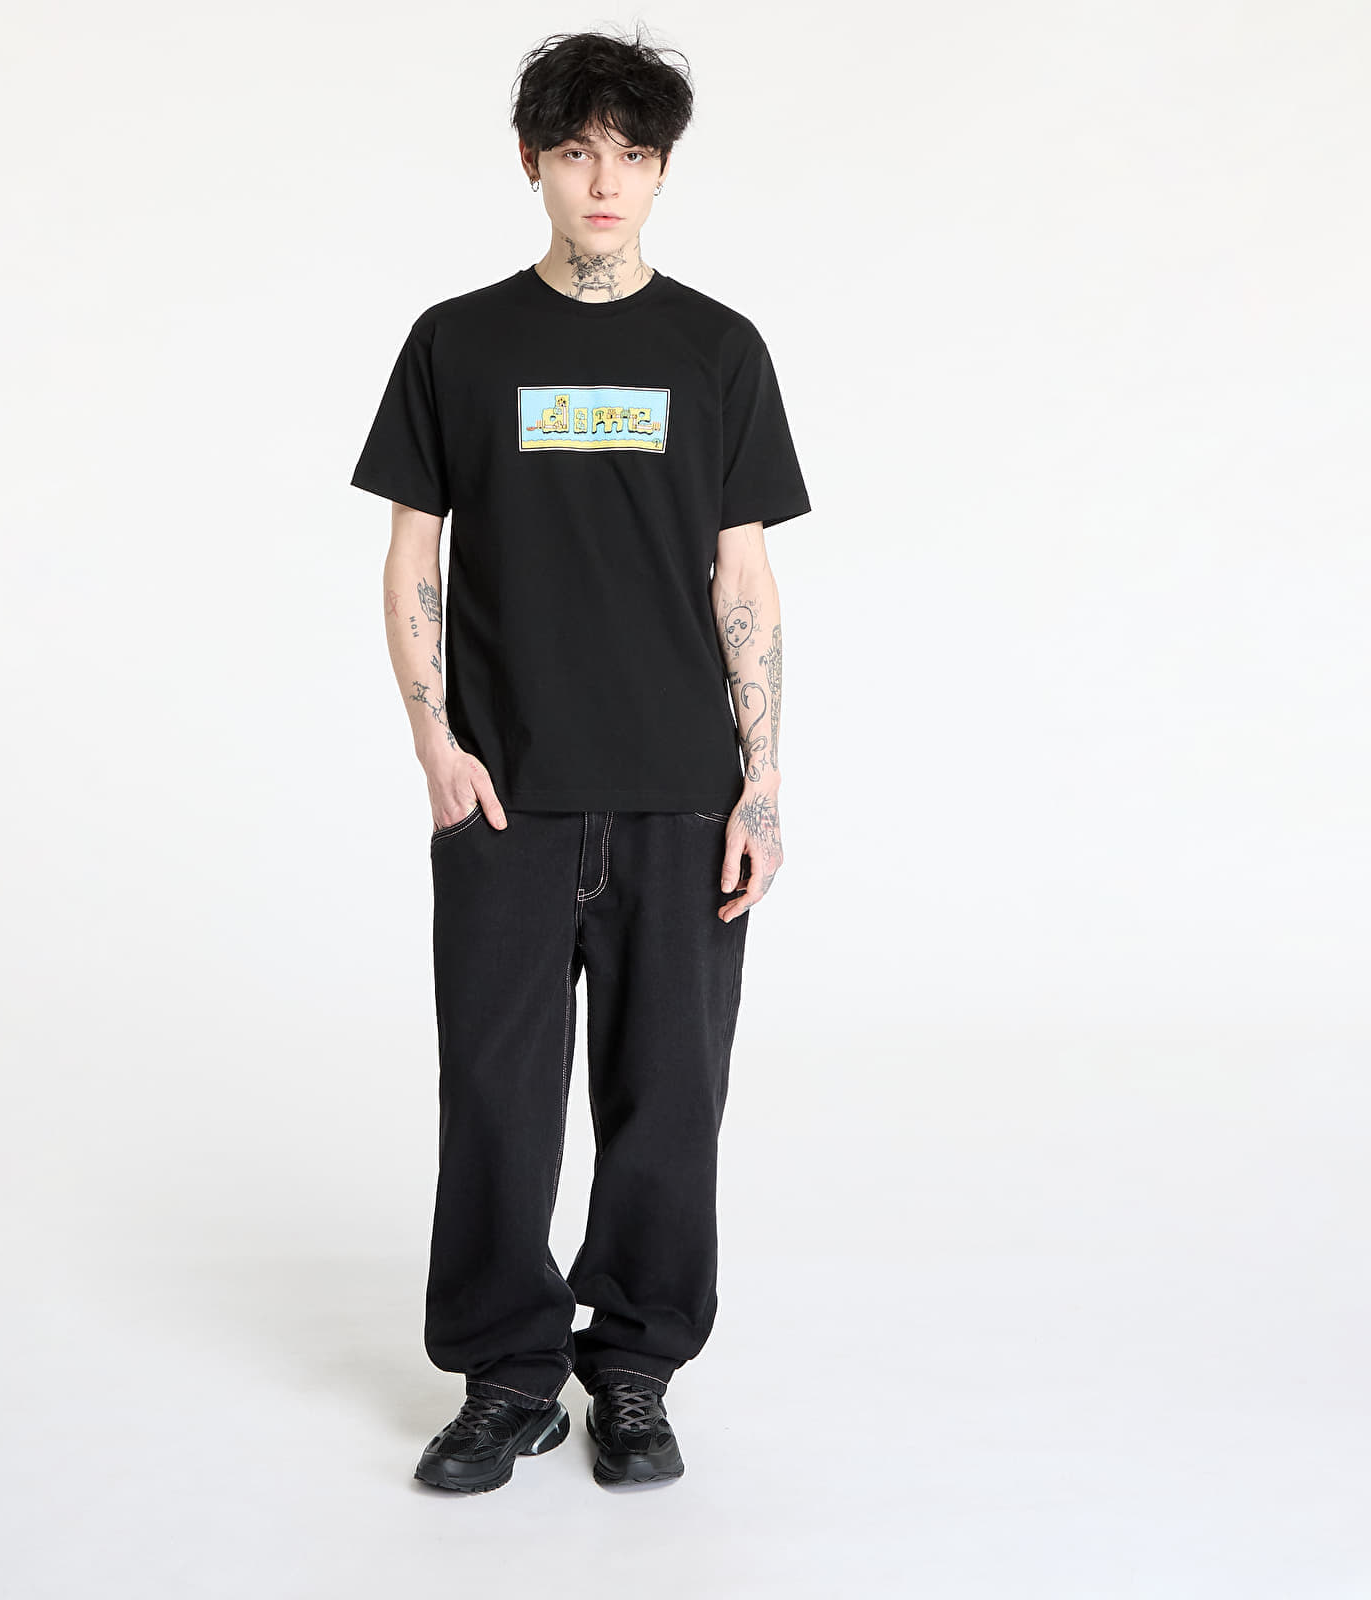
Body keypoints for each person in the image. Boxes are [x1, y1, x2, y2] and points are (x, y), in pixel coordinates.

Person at [349, 25, 810, 1493]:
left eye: (632, 154)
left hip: (681, 794)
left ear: (664, 174)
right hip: (506, 794)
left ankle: (635, 1369)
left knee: (669, 1098)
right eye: (575, 151)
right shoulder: (458, 343)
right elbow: (412, 553)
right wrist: (432, 740)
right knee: (494, 1095)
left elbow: (744, 575)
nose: (603, 180)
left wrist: (763, 781)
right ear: (531, 164)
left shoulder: (717, 349)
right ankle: (506, 1371)